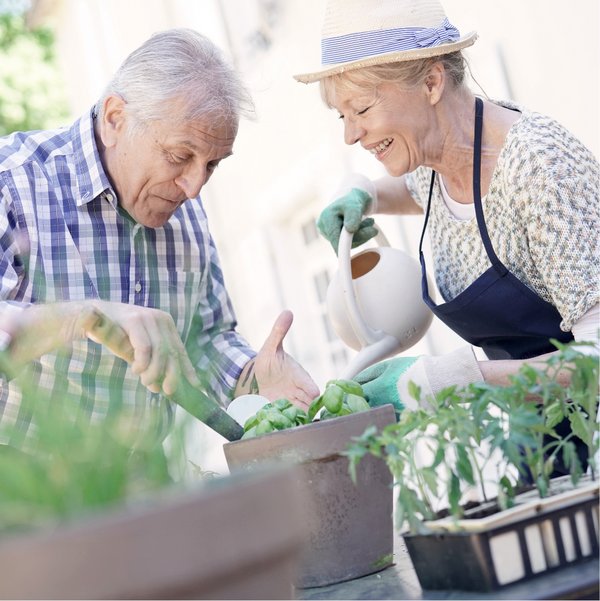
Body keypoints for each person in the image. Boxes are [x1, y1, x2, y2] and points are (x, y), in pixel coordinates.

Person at [295, 0, 599, 470]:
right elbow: (415, 190)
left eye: (361, 108)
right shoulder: (437, 162)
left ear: (432, 83)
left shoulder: (539, 167)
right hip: (546, 455)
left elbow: (595, 364)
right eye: (341, 116)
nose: (350, 135)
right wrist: (366, 194)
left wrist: (455, 378)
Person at [0, 28, 319, 444]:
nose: (194, 187)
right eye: (179, 156)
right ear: (116, 118)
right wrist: (85, 317)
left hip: (145, 487)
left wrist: (252, 375)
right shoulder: (12, 182)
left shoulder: (184, 207)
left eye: (212, 165)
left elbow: (204, 337)